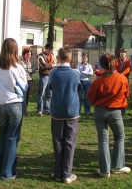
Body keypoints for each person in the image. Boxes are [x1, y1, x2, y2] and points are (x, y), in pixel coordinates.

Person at [88, 53, 131, 178]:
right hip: (115, 111)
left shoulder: (98, 81)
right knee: (119, 137)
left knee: (103, 140)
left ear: (101, 65)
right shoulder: (122, 79)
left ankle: (104, 170)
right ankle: (117, 166)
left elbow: (91, 97)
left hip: (100, 111)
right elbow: (126, 94)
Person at [0, 38, 28, 180]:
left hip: (0, 104)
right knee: (12, 138)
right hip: (14, 103)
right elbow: (24, 86)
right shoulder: (17, 67)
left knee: (3, 137)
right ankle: (7, 172)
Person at [49, 47, 81, 184]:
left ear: (58, 57)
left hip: (57, 111)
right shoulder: (75, 73)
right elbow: (79, 89)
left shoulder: (53, 73)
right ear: (70, 59)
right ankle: (67, 173)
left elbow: (50, 87)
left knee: (57, 142)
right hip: (72, 111)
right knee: (69, 142)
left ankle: (58, 172)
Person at [36, 43, 56, 116]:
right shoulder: (40, 56)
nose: (50, 51)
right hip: (43, 76)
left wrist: (50, 65)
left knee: (49, 94)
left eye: (51, 50)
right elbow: (43, 65)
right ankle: (39, 110)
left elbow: (55, 64)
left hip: (50, 76)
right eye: (49, 50)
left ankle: (47, 109)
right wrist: (52, 65)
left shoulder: (52, 56)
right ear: (45, 48)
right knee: (41, 93)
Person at [19, 48, 37, 116]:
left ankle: (25, 110)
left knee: (27, 97)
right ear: (24, 54)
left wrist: (30, 70)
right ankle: (23, 111)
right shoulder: (20, 61)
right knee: (23, 95)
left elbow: (34, 68)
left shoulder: (30, 62)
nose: (29, 56)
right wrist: (29, 70)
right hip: (24, 80)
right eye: (27, 54)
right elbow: (22, 70)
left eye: (30, 54)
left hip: (30, 80)